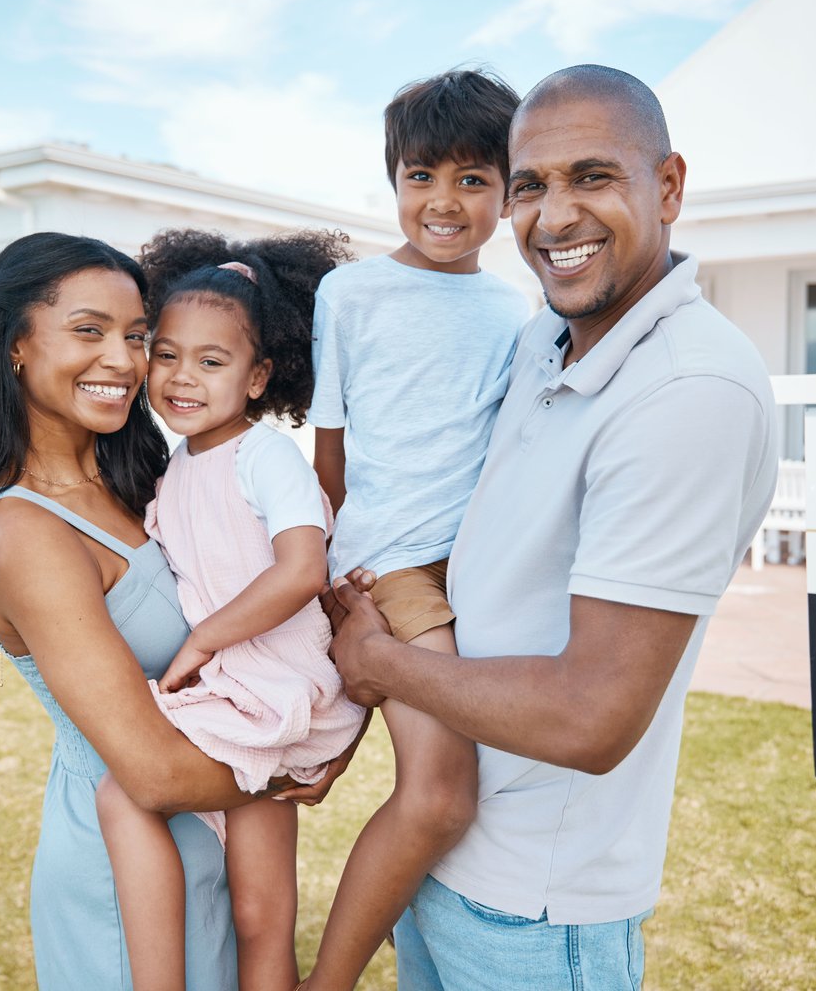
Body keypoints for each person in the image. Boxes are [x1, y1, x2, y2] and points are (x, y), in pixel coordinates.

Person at [326, 65, 779, 990]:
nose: (553, 214)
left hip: (537, 908)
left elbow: (592, 716)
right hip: (443, 870)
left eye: (592, 176)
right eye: (530, 183)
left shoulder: (688, 390)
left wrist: (379, 665)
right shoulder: (541, 335)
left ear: (669, 186)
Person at [0, 232, 350, 991]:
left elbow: (296, 593)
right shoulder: (24, 533)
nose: (124, 362)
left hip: (213, 839)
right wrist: (300, 756)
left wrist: (329, 725)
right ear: (16, 345)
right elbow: (153, 777)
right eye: (89, 331)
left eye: (136, 337)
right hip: (124, 880)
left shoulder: (151, 479)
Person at [299, 67, 529, 990]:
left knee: (475, 782)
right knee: (440, 798)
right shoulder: (350, 296)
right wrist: (328, 580)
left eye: (474, 180)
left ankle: (400, 911)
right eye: (421, 177)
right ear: (393, 181)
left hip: (477, 568)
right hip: (392, 566)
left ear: (509, 194)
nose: (444, 202)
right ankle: (327, 981)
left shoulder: (516, 312)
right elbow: (330, 453)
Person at [93, 229, 367, 991]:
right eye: (168, 354)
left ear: (257, 378)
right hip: (243, 694)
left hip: (278, 686)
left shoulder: (265, 455)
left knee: (125, 793)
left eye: (212, 362)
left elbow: (303, 567)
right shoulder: (175, 469)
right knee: (259, 909)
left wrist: (205, 640)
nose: (183, 377)